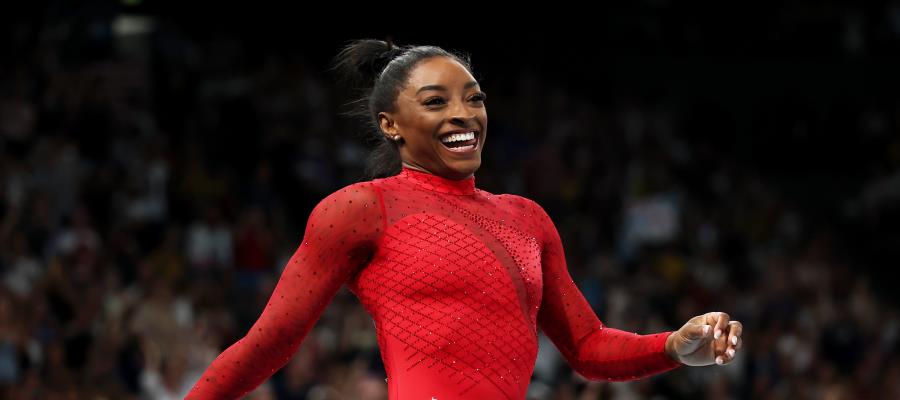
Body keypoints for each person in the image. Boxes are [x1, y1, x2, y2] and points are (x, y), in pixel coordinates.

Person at [186, 39, 744, 400]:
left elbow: (588, 347)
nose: (463, 115)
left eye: (473, 99)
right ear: (390, 124)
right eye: (434, 102)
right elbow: (270, 344)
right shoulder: (360, 210)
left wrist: (672, 346)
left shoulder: (527, 218)